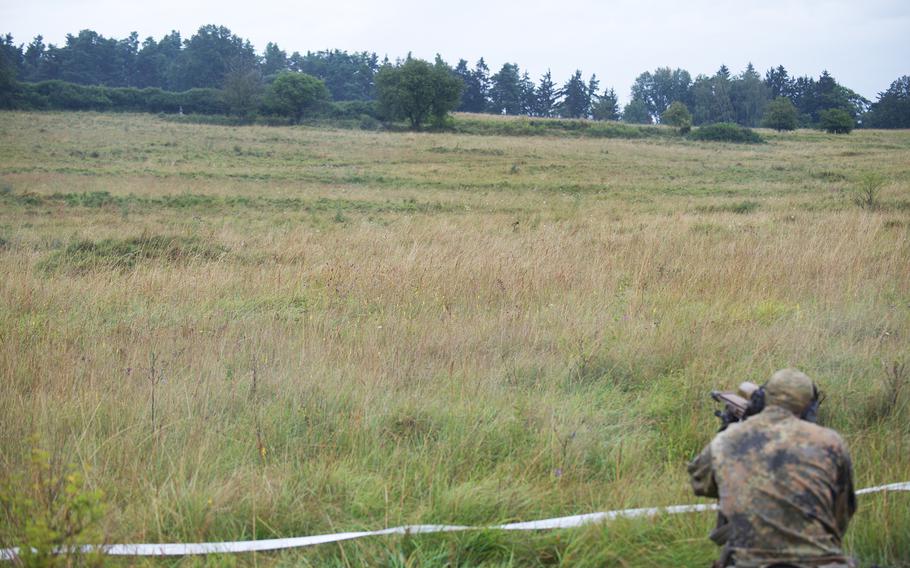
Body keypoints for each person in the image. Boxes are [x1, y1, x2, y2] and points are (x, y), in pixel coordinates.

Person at [688, 369, 857, 568]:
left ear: (764, 400)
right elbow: (843, 511)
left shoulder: (730, 439)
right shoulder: (831, 442)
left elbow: (700, 483)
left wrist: (729, 430)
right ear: (809, 407)